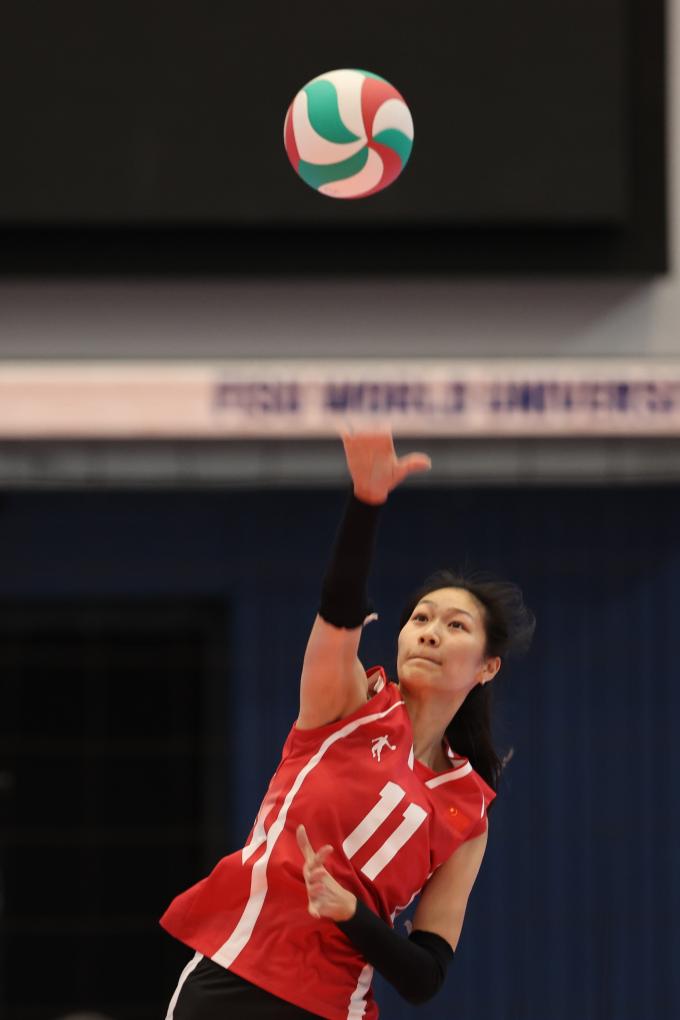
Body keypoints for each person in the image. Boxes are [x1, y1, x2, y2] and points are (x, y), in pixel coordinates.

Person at [161, 431, 535, 1019]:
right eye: (420, 618)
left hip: (337, 1006)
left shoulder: (468, 812)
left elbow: (425, 975)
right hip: (235, 977)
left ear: (488, 667)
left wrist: (351, 914)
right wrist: (367, 500)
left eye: (456, 626)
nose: (430, 633)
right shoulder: (351, 704)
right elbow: (339, 609)